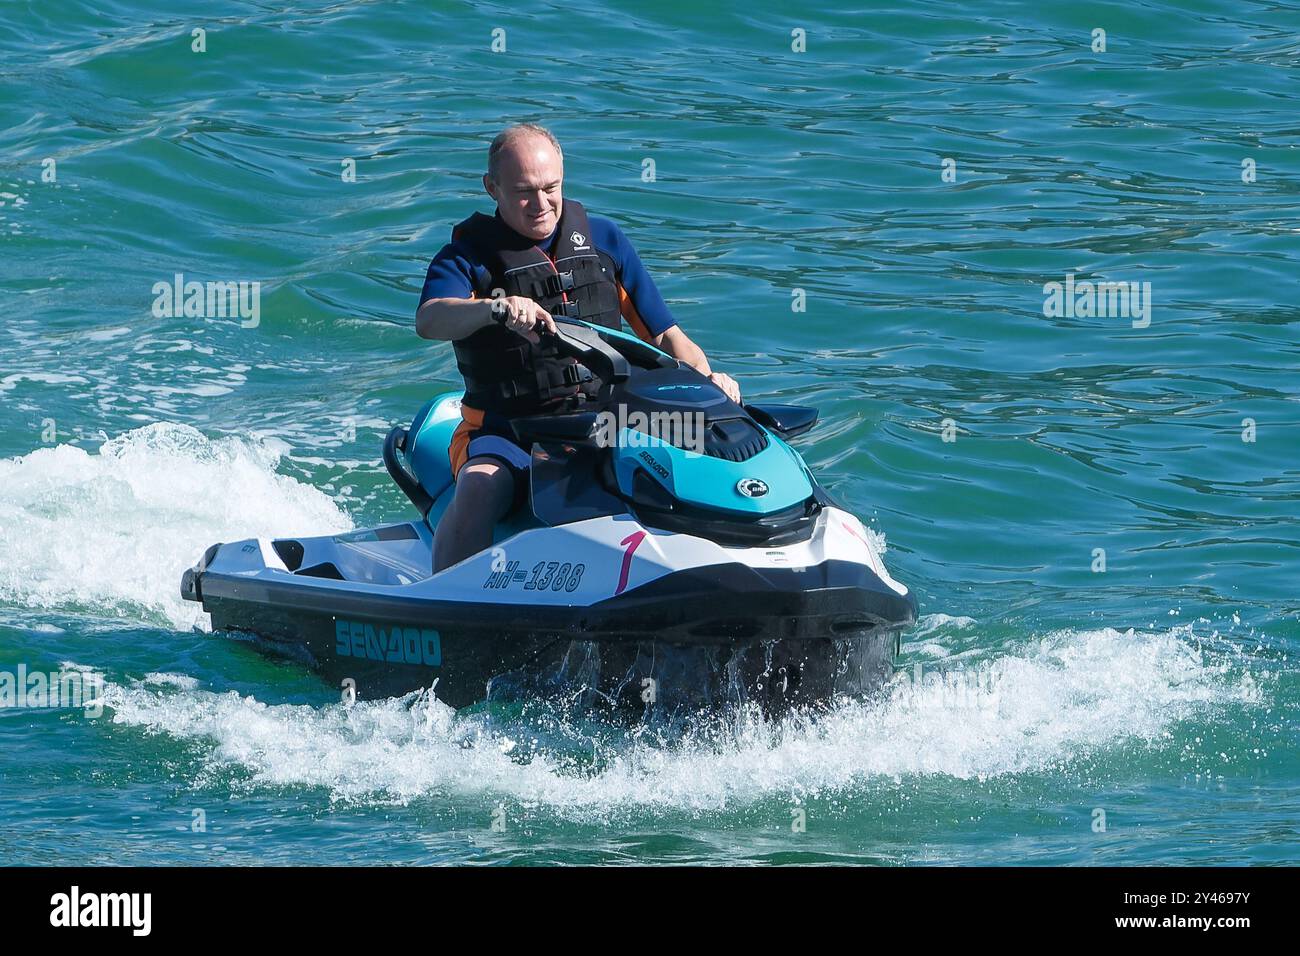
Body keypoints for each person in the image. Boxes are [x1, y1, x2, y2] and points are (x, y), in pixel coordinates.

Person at [416, 123, 740, 572]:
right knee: (482, 487)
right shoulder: (467, 258)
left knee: (694, 461)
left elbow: (666, 337)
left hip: (608, 420)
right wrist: (495, 309)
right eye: (524, 192)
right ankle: (445, 605)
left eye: (551, 188)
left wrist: (710, 386)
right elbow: (431, 318)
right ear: (492, 188)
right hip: (508, 429)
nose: (542, 203)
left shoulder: (605, 241)